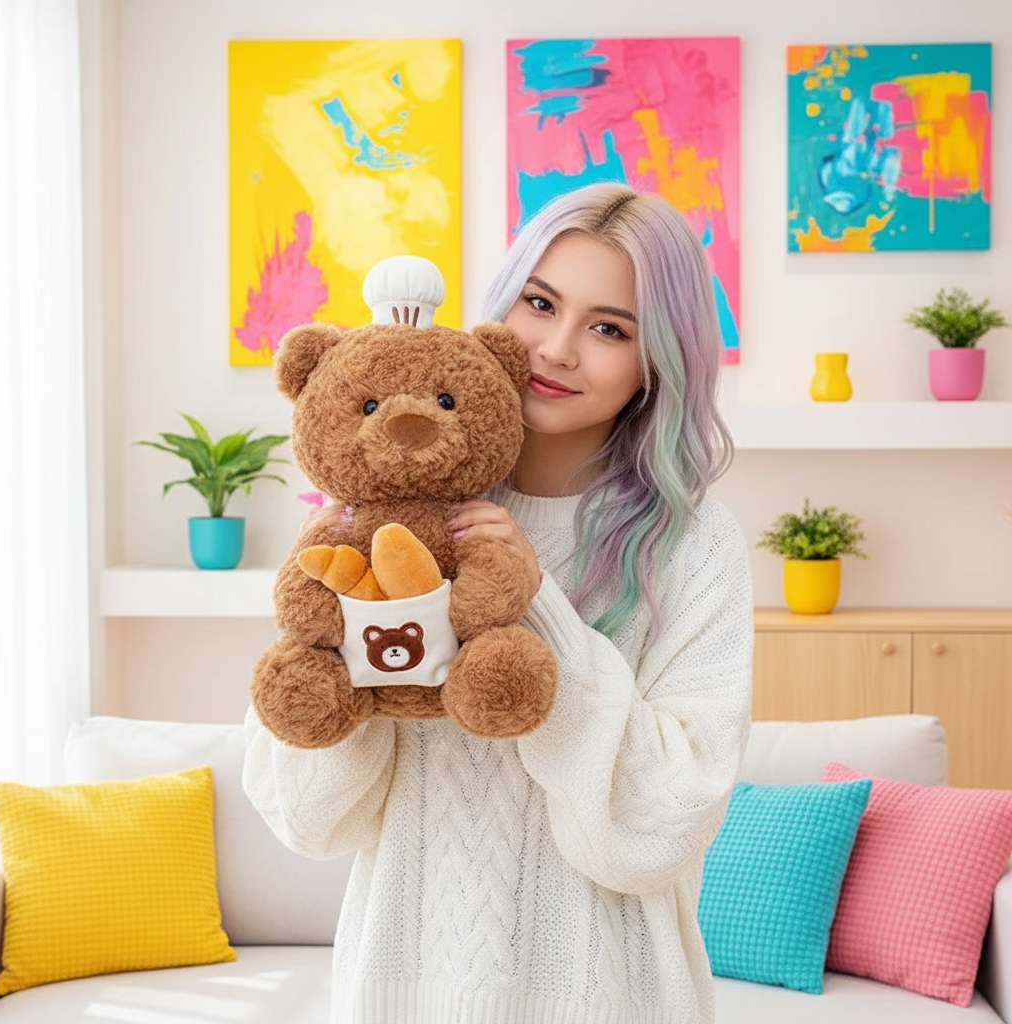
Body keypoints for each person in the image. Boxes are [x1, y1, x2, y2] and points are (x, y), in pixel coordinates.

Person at [243, 182, 753, 1024]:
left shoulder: (691, 546)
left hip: (605, 995)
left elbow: (660, 829)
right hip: (402, 986)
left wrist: (536, 602)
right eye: (539, 303)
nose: (555, 349)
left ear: (657, 360)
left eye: (608, 328)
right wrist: (357, 633)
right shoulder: (376, 513)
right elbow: (305, 815)